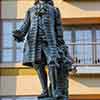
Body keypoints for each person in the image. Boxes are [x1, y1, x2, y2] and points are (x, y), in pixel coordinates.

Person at [12, 0, 74, 99]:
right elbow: (25, 25)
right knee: (38, 65)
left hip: (50, 41)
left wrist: (60, 43)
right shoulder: (31, 10)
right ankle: (45, 91)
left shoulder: (54, 10)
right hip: (34, 41)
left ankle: (55, 90)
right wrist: (19, 33)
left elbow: (58, 28)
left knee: (53, 63)